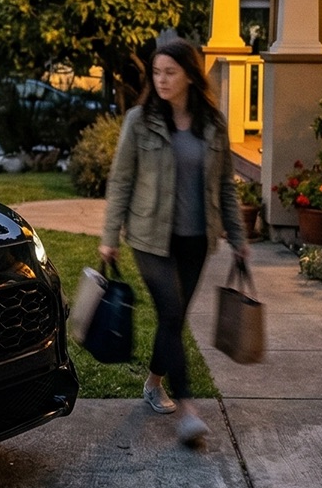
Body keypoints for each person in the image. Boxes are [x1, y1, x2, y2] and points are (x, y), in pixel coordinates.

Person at [99, 37, 249, 448]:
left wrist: (238, 236)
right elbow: (121, 180)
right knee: (169, 310)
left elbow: (225, 185)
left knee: (174, 319)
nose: (161, 80)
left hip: (196, 238)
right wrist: (109, 237)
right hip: (150, 237)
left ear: (190, 76)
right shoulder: (139, 120)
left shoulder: (213, 123)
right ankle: (188, 410)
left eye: (170, 72)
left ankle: (153, 382)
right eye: (156, 72)